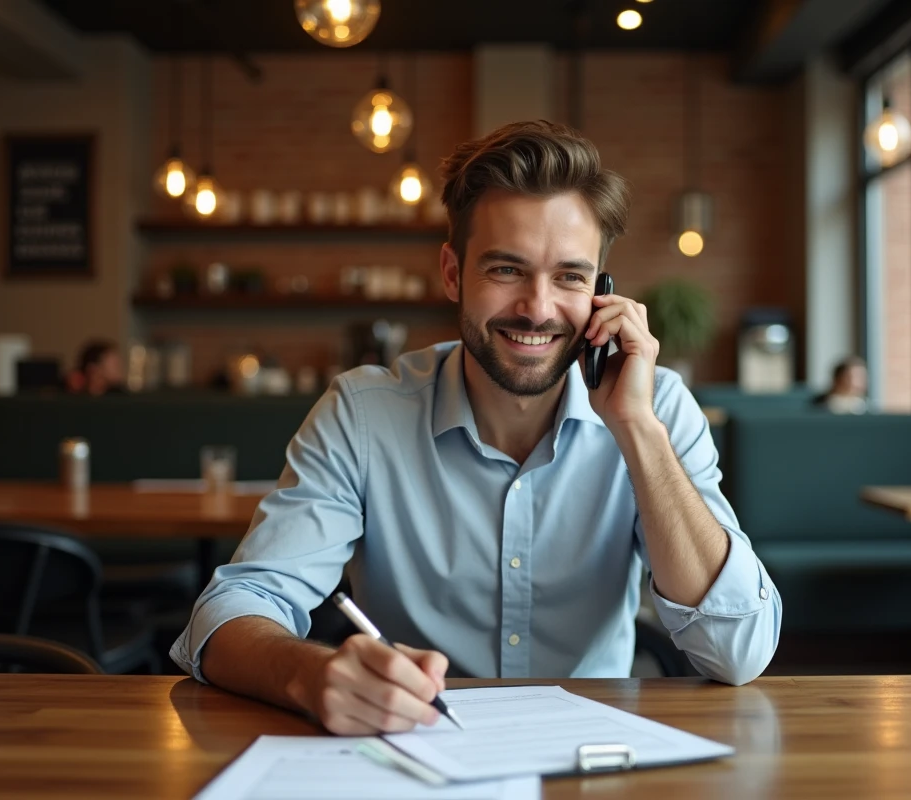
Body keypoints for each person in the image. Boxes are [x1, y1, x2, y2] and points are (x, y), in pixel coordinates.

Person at [171, 121, 781, 735]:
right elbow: (227, 616)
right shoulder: (362, 414)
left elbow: (739, 651)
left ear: (601, 292)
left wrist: (637, 432)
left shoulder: (656, 409)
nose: (538, 308)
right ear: (453, 273)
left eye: (569, 276)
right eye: (507, 270)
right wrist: (312, 674)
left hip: (593, 753)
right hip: (414, 745)